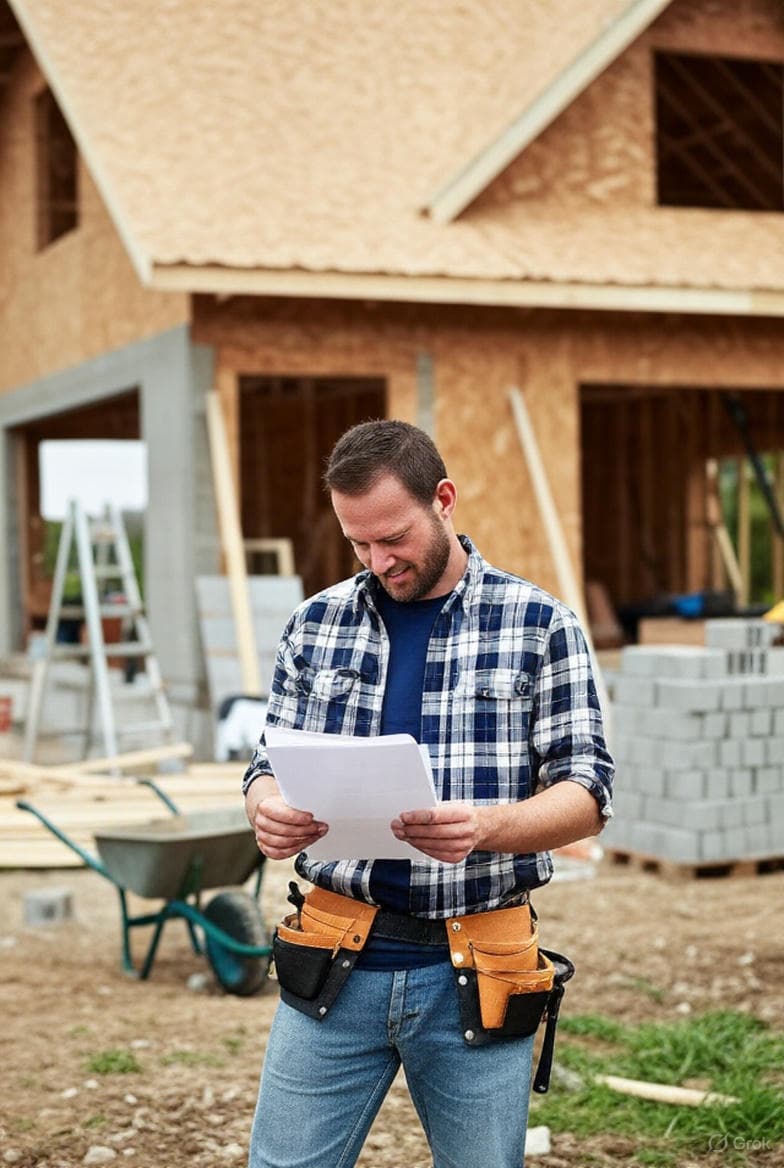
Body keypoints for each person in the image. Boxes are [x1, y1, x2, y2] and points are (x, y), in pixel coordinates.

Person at [243, 419, 614, 1168]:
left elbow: (588, 792)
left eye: (393, 538)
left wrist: (489, 826)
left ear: (443, 500)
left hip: (478, 964)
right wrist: (266, 809)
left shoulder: (540, 625)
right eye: (358, 545)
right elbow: (265, 764)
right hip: (333, 959)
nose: (379, 561)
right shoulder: (314, 625)